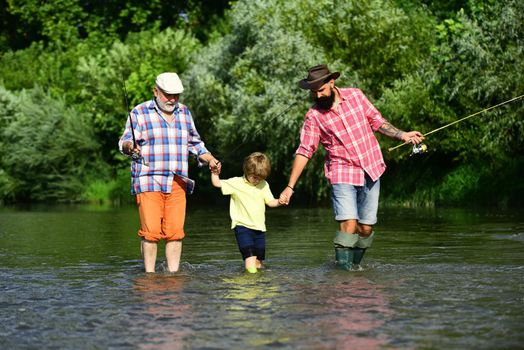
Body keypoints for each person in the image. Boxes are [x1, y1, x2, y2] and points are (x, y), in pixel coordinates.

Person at [279, 64, 424, 270]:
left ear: (332, 82)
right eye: (314, 93)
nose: (318, 96)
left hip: (371, 167)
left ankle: (354, 269)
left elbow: (377, 121)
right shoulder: (314, 116)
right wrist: (290, 186)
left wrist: (402, 135)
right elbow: (305, 151)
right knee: (349, 225)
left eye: (321, 90)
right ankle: (343, 275)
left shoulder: (355, 96)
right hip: (341, 171)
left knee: (365, 228)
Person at [119, 72, 221, 273]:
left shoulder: (184, 112)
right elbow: (124, 142)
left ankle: (173, 276)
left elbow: (195, 144)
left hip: (178, 180)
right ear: (155, 91)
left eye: (176, 95)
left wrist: (210, 159)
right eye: (168, 94)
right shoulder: (139, 112)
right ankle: (149, 275)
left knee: (175, 233)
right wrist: (130, 146)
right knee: (151, 233)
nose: (173, 99)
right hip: (148, 180)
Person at [211, 152, 285, 273]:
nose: (257, 180)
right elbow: (217, 183)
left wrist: (280, 201)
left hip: (260, 228)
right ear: (246, 170)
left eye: (261, 177)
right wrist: (214, 172)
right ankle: (250, 283)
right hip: (243, 227)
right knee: (250, 259)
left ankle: (258, 284)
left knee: (258, 263)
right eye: (255, 177)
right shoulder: (236, 183)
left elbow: (270, 202)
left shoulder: (264, 185)